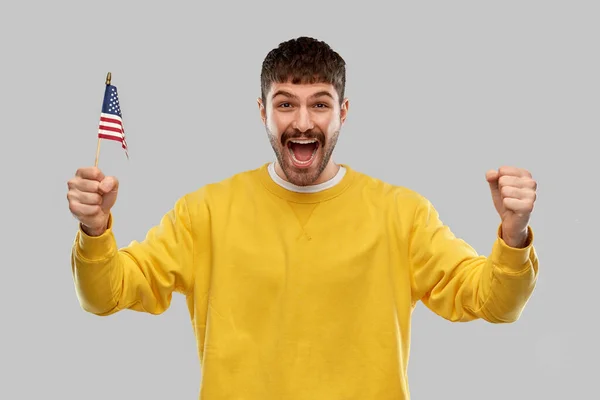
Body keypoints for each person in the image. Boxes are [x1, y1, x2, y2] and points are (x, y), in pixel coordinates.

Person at [67, 36, 539, 399]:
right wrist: (95, 230)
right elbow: (104, 297)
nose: (303, 122)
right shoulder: (204, 212)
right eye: (286, 103)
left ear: (343, 112)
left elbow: (495, 303)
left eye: (320, 103)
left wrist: (513, 234)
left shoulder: (403, 214)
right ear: (262, 112)